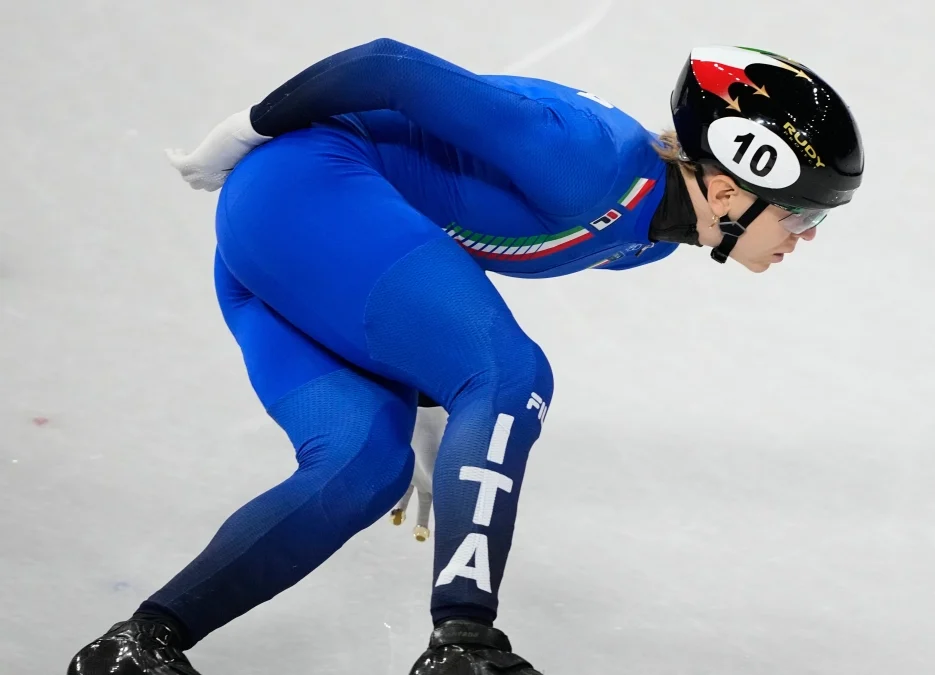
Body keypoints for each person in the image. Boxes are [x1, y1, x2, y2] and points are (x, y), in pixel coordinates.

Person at [66, 37, 864, 675]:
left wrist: (426, 395)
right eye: (803, 213)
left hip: (280, 256)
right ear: (729, 189)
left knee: (359, 464)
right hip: (302, 187)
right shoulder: (588, 163)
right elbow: (387, 66)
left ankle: (139, 644)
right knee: (511, 375)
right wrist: (242, 132)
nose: (808, 236)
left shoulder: (645, 239)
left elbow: (420, 251)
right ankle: (463, 643)